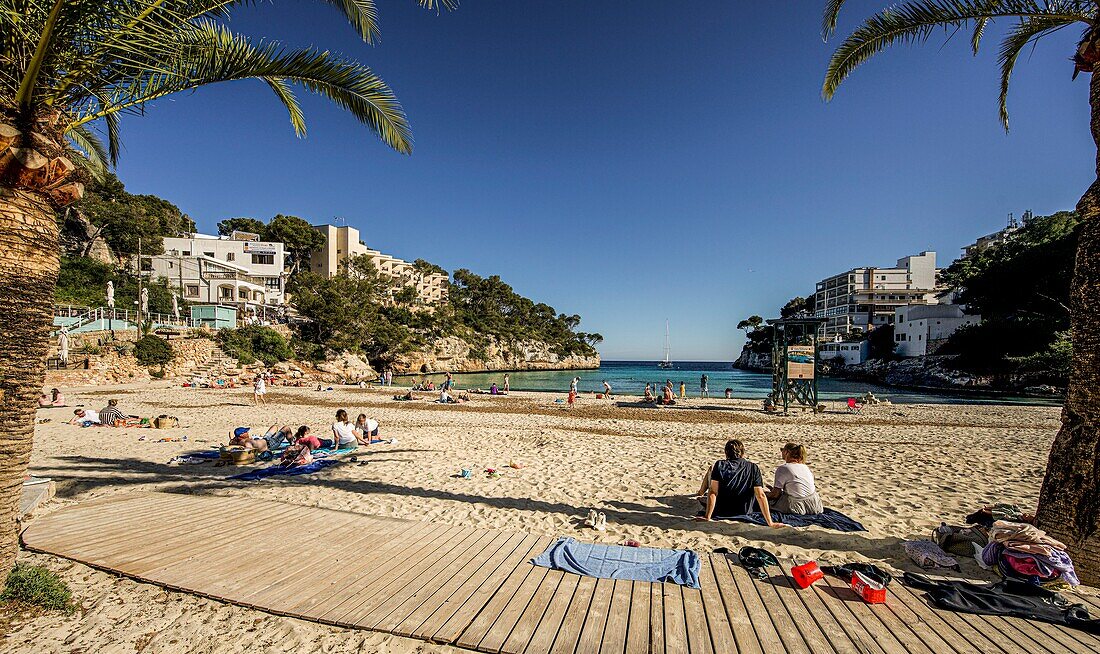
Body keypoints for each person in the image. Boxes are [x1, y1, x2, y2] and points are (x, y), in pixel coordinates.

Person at [694, 439, 783, 527]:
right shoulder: (753, 467)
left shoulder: (719, 465)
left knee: (706, 495)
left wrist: (707, 516)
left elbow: (713, 492)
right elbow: (760, 495)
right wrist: (770, 522)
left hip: (722, 510)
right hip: (745, 511)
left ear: (726, 453)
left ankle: (700, 494)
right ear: (742, 453)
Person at [766, 443, 823, 515]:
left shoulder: (783, 468)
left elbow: (775, 495)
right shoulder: (805, 467)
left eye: (782, 450)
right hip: (815, 505)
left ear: (787, 452)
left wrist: (765, 494)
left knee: (763, 500)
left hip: (797, 507)